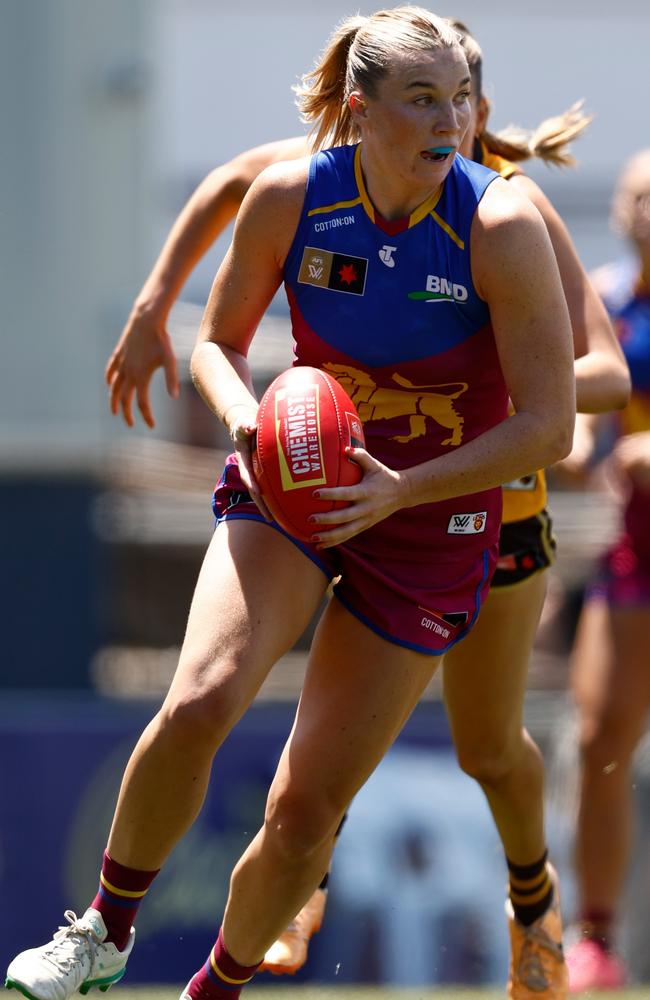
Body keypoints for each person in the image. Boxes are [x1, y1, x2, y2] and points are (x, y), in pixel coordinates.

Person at [5, 8, 578, 1000]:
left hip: (427, 522)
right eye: (421, 99)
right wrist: (242, 418)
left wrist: (402, 485)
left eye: (456, 98)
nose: (449, 120)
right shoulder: (294, 194)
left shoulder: (501, 223)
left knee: (304, 814)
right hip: (291, 491)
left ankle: (213, 991)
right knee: (198, 699)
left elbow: (547, 428)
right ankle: (99, 934)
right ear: (360, 110)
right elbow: (220, 343)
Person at [561, 149, 650, 993]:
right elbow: (589, 430)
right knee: (599, 744)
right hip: (636, 550)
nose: (646, 208)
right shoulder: (607, 302)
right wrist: (582, 452)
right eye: (636, 196)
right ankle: (594, 939)